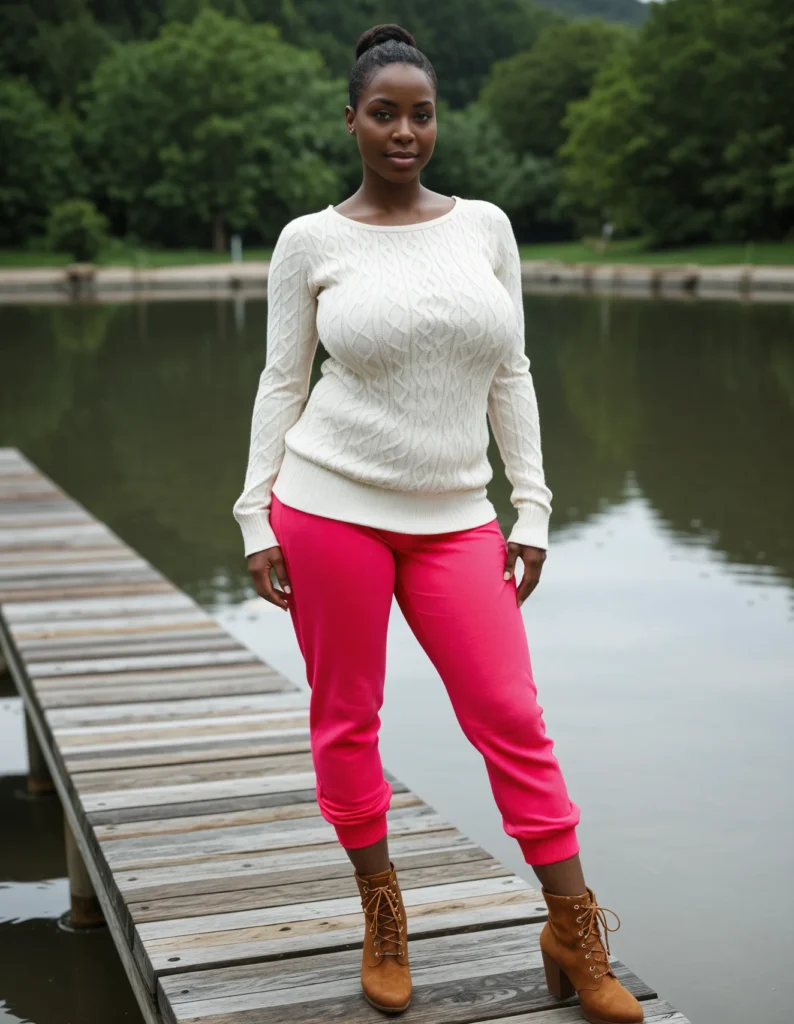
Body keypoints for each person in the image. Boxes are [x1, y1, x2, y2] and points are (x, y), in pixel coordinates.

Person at [233, 23, 643, 1024]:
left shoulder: (484, 227)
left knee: (510, 717)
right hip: (328, 504)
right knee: (347, 717)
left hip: (458, 515)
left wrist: (533, 505)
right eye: (384, 113)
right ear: (352, 121)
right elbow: (283, 380)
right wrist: (254, 512)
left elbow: (511, 373)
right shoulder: (309, 241)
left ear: (434, 120)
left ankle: (570, 926)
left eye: (420, 113)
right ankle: (382, 911)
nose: (404, 130)